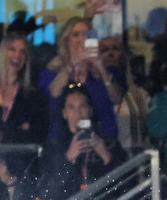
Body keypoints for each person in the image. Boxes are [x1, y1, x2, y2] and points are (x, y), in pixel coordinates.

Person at [31, 87, 126, 200]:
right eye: (71, 107)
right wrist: (68, 158)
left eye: (83, 106)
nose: (78, 112)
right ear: (64, 113)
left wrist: (106, 156)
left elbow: (125, 187)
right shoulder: (53, 149)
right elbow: (49, 194)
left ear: (90, 110)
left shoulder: (110, 144)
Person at [38, 16, 121, 144]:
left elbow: (117, 98)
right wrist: (73, 63)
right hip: (62, 142)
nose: (82, 39)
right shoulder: (51, 71)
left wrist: (101, 68)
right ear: (66, 40)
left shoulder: (105, 72)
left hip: (102, 140)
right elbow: (54, 92)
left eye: (86, 35)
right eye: (76, 35)